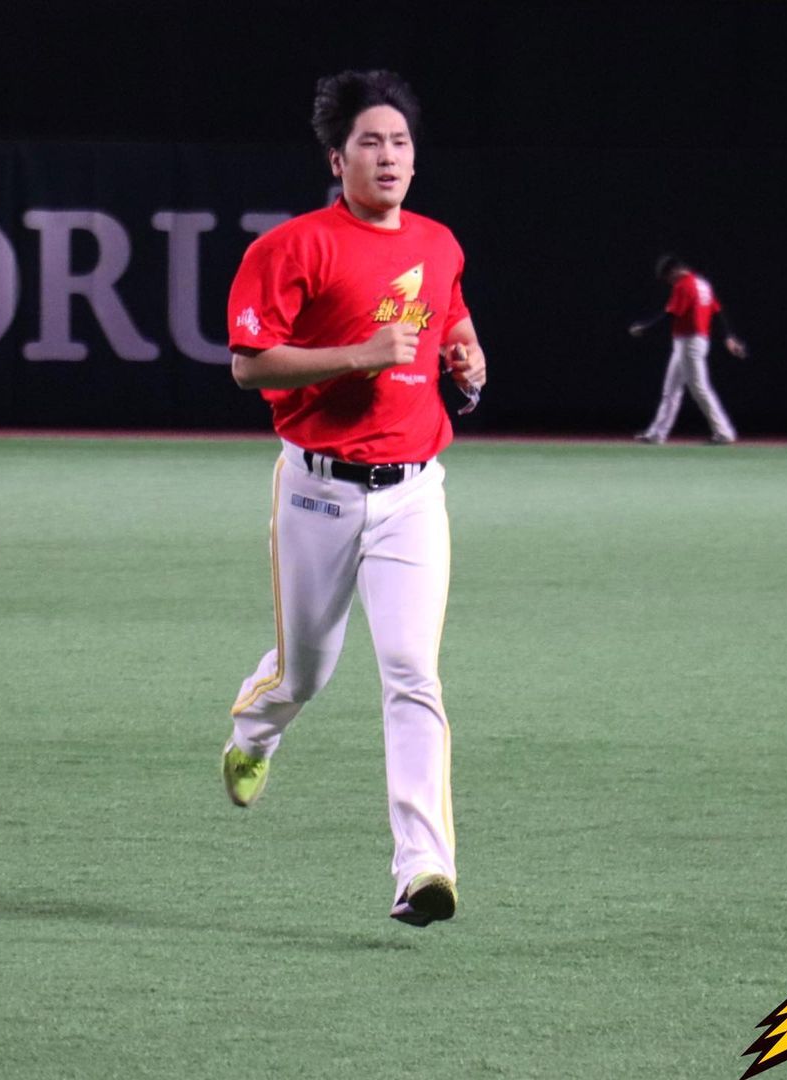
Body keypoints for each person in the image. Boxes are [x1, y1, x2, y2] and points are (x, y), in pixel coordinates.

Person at [221, 70, 486, 929]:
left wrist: (467, 352)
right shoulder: (293, 247)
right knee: (306, 671)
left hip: (413, 494)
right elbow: (250, 365)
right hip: (318, 492)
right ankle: (254, 733)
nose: (389, 156)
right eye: (371, 141)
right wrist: (359, 354)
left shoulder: (438, 243)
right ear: (338, 159)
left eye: (400, 141)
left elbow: (448, 313)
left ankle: (423, 869)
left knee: (413, 674)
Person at [628, 253, 746, 444]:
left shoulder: (684, 284)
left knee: (699, 388)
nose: (669, 282)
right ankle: (657, 434)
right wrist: (728, 336)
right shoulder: (702, 284)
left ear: (675, 270)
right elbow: (717, 312)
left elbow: (671, 314)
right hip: (693, 341)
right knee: (671, 390)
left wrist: (644, 327)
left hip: (689, 342)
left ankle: (724, 432)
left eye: (668, 277)